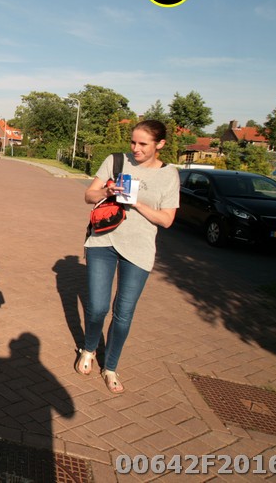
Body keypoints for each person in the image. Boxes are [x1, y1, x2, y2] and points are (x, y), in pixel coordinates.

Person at [76, 120, 180, 394]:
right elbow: (89, 195)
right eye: (133, 142)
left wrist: (137, 203)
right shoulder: (116, 161)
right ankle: (89, 349)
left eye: (143, 144)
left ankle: (110, 367)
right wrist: (106, 192)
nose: (135, 148)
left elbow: (167, 220)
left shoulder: (169, 175)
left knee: (123, 313)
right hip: (103, 241)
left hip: (140, 249)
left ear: (160, 144)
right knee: (98, 307)